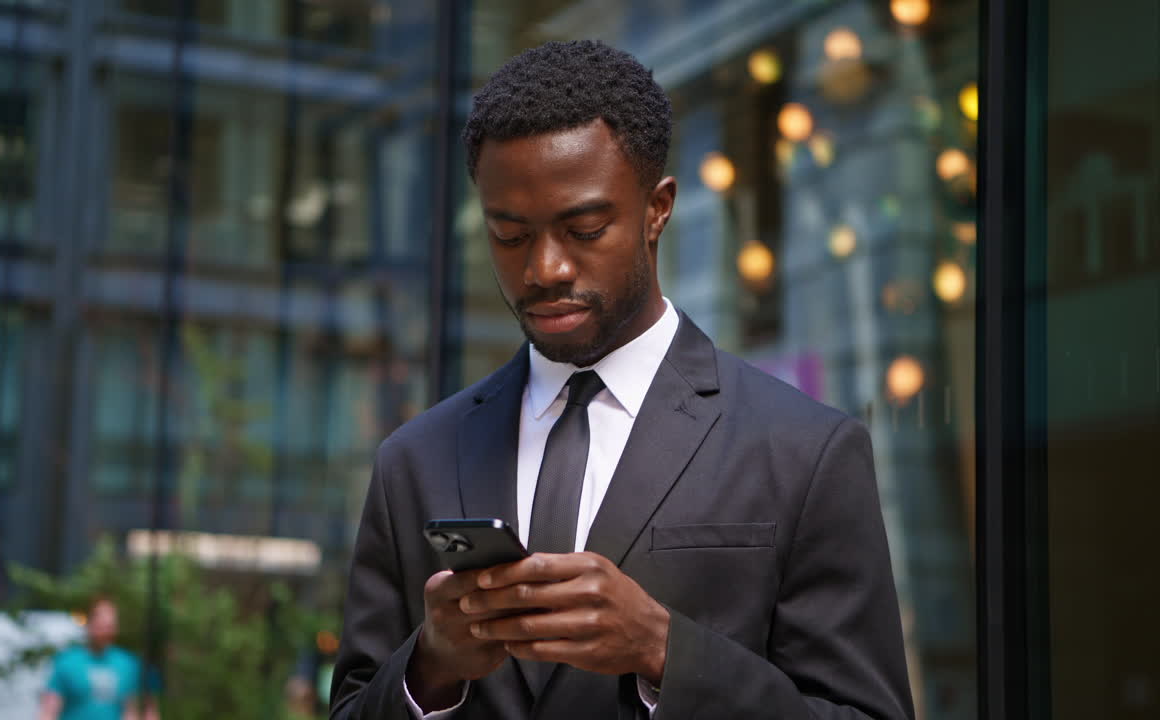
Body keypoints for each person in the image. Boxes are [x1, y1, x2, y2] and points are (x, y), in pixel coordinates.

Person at [330, 40, 914, 720]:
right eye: (510, 235)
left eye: (583, 228)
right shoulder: (415, 460)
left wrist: (665, 651)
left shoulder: (805, 452)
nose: (545, 268)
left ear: (658, 209)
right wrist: (429, 668)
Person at [39, 597, 157, 720]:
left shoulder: (129, 664)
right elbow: (49, 710)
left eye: (109, 626)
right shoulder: (67, 662)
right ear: (90, 624)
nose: (105, 632)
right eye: (101, 626)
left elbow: (135, 709)